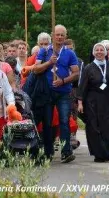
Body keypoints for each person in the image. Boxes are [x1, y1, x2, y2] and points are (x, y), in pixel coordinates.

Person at [33, 25, 79, 163]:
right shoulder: (44, 51)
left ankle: (66, 151)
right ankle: (48, 152)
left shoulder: (70, 53)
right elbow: (36, 69)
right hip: (46, 93)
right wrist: (49, 63)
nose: (59, 37)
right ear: (53, 35)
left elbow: (76, 73)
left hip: (63, 93)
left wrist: (63, 81)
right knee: (47, 123)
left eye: (62, 35)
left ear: (65, 36)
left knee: (64, 121)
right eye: (57, 35)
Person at [77, 43, 109, 162]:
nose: (99, 52)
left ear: (105, 53)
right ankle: (100, 154)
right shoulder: (88, 68)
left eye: (102, 50)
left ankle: (106, 150)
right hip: (92, 101)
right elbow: (82, 87)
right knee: (94, 127)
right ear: (93, 53)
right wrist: (80, 102)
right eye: (97, 50)